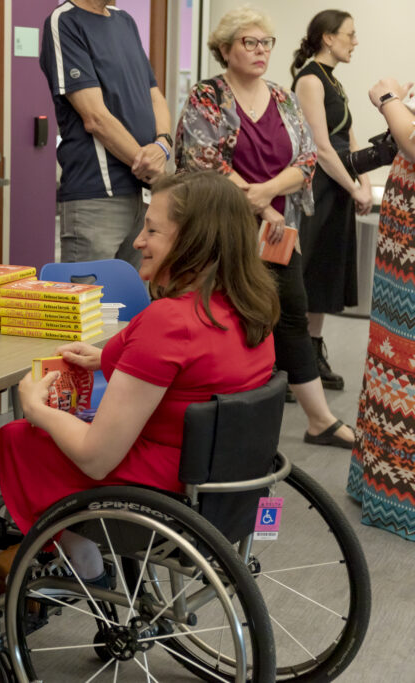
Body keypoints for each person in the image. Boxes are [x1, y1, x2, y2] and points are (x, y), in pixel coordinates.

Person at [0, 171, 278, 578]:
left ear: (193, 240)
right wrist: (109, 356)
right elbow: (193, 368)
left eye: (153, 230)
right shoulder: (251, 306)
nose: (139, 241)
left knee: (24, 439)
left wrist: (37, 410)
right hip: (229, 479)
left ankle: (88, 570)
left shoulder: (169, 322)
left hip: (164, 490)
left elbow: (95, 458)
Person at [175, 5, 354, 449]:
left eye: (266, 43)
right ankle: (220, 418)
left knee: (290, 314)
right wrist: (257, 202)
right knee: (225, 320)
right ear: (224, 49)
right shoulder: (207, 96)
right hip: (221, 233)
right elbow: (203, 159)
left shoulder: (282, 96)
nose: (260, 51)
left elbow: (307, 159)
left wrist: (267, 194)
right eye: (249, 43)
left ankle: (319, 420)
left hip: (277, 232)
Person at [40, 0, 172, 268]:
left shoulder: (124, 21)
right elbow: (95, 118)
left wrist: (163, 144)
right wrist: (147, 165)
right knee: (90, 304)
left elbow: (154, 94)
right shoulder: (64, 21)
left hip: (143, 195)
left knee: (134, 303)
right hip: (97, 195)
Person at [347, 77, 415, 540]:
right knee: (393, 353)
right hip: (403, 237)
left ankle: (399, 494)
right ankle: (381, 478)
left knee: (404, 358)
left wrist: (388, 100)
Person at [291, 10, 373, 392]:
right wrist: (353, 186)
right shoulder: (309, 80)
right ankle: (291, 363)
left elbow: (352, 140)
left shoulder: (334, 83)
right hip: (319, 186)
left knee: (324, 273)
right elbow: (321, 149)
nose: (355, 41)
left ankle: (312, 351)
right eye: (350, 34)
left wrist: (365, 182)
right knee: (305, 274)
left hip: (341, 182)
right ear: (328, 37)